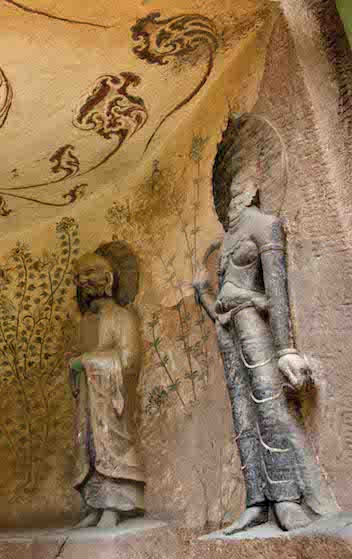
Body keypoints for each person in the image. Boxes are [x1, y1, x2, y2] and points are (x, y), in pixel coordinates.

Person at [194, 114, 318, 535]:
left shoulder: (265, 226)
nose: (231, 197)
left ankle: (287, 497)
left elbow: (276, 292)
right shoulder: (228, 238)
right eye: (227, 191)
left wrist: (285, 348)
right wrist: (206, 299)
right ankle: (256, 499)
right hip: (229, 327)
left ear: (252, 190)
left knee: (268, 402)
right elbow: (225, 297)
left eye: (237, 189)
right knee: (242, 412)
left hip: (255, 326)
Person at [69, 252, 145, 529]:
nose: (85, 280)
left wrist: (85, 362)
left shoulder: (122, 316)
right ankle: (94, 504)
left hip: (112, 397)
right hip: (90, 396)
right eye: (80, 275)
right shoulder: (85, 322)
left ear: (109, 277)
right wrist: (80, 366)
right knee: (87, 443)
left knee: (110, 443)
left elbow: (128, 360)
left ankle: (114, 505)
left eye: (91, 272)